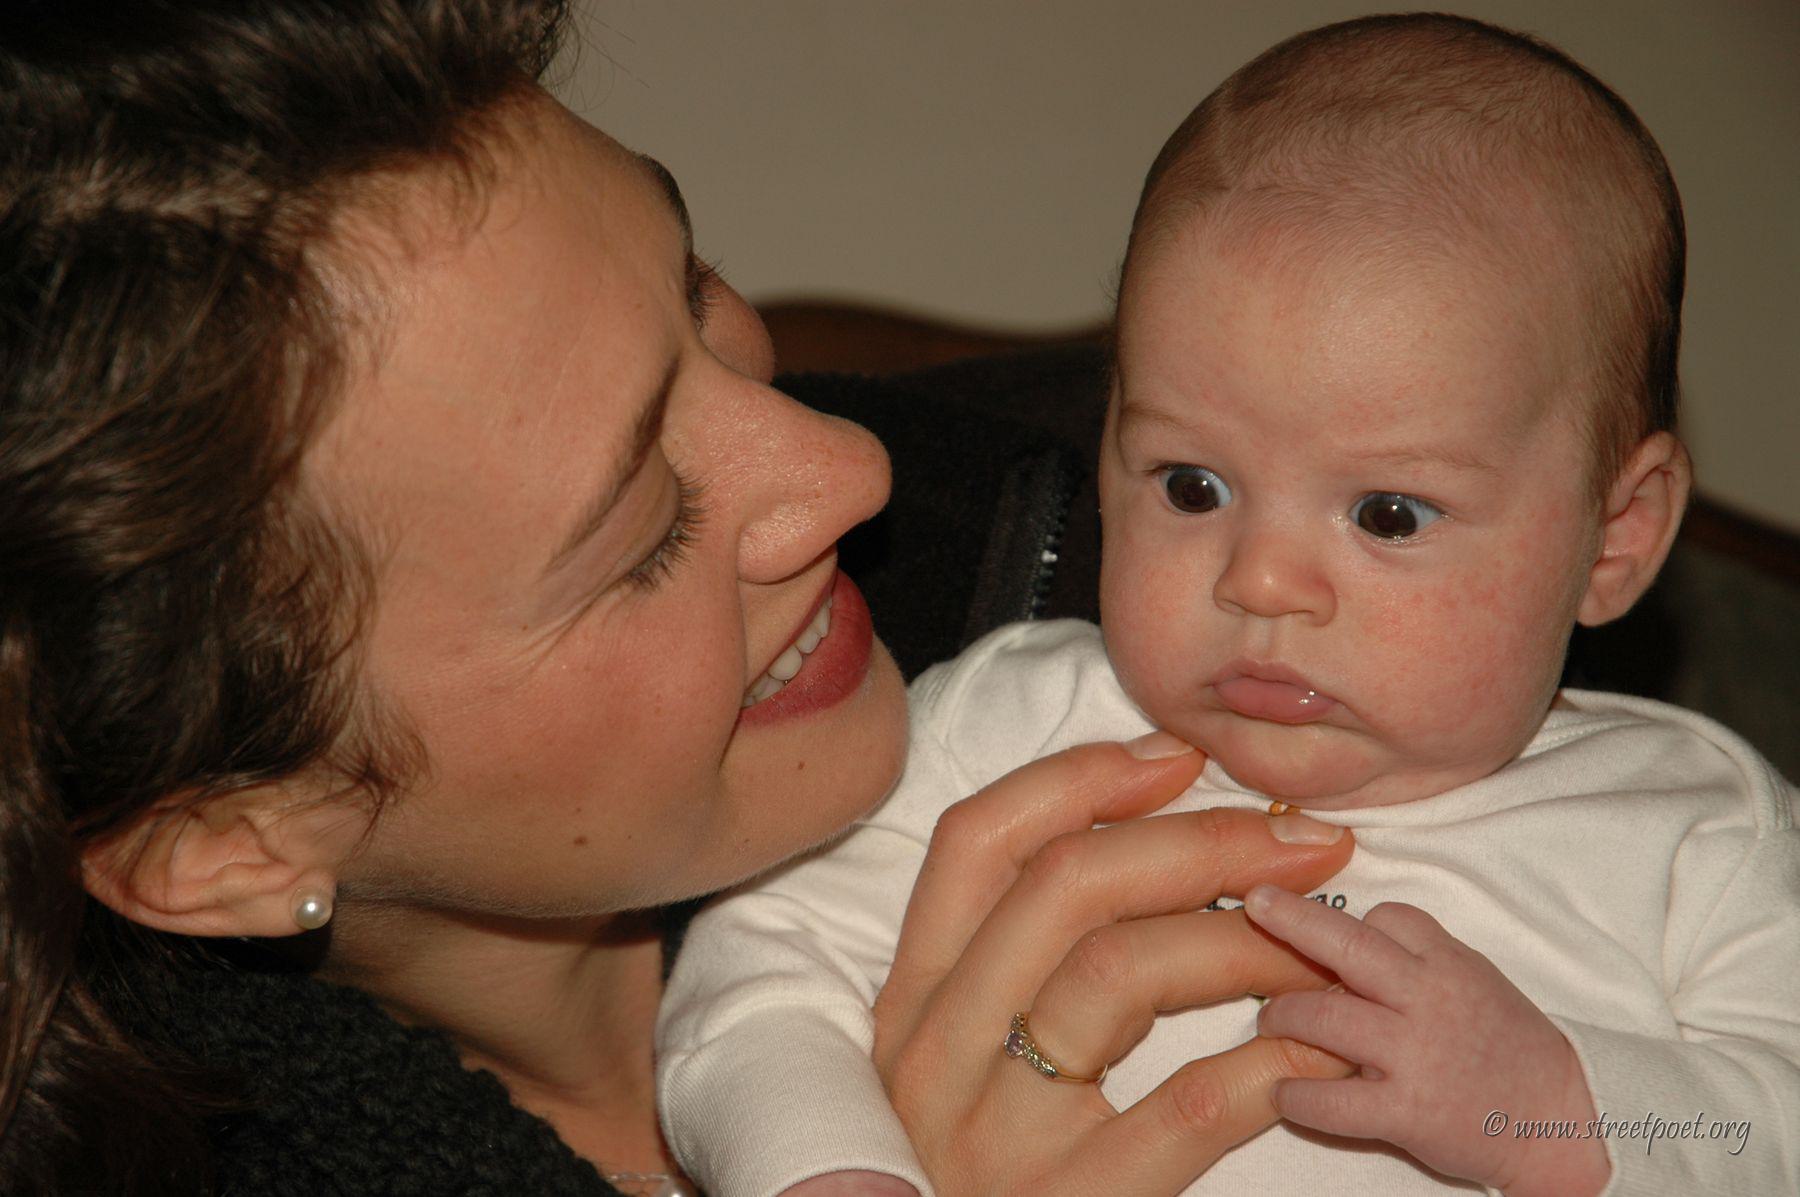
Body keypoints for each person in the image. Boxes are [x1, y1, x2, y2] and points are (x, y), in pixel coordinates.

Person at [0, 3, 1358, 1194]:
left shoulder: (1176, 529)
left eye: (696, 292)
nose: (847, 468)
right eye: (643, 530)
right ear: (224, 841)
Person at [658, 14, 1800, 1197]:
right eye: (1191, 486)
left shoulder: (1695, 835)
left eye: (1388, 515)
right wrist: (833, 1169)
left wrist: (1566, 1111)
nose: (1258, 581)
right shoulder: (1011, 727)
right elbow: (761, 974)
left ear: (1616, 538)